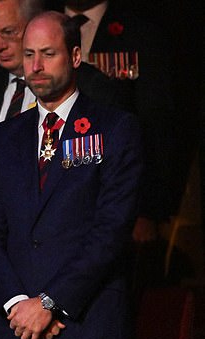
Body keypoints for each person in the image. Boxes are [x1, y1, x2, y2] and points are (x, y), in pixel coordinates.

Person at [0, 11, 142, 339]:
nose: (35, 66)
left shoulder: (115, 129)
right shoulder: (3, 138)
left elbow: (110, 231)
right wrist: (19, 305)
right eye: (28, 54)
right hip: (16, 336)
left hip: (85, 333)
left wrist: (51, 303)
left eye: (48, 53)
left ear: (76, 56)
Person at [60, 0, 179, 289]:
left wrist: (147, 209)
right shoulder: (40, 25)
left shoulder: (139, 32)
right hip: (58, 201)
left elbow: (156, 127)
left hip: (116, 202)